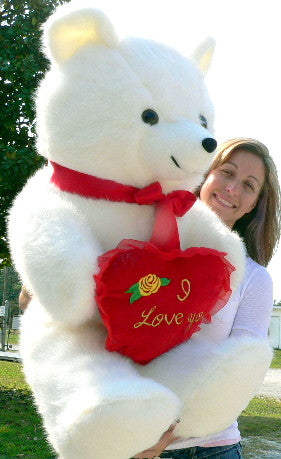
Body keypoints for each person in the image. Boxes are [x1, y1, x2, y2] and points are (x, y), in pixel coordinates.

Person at [132, 137, 281, 459]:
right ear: (206, 174)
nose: (232, 189)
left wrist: (167, 434)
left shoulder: (254, 279)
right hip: (132, 436)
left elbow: (240, 374)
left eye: (248, 185)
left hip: (211, 448)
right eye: (227, 172)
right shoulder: (146, 245)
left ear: (253, 204)